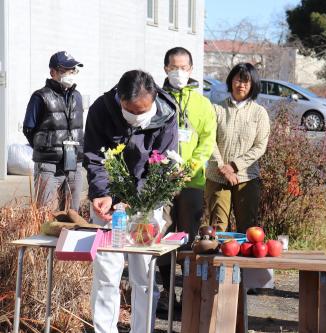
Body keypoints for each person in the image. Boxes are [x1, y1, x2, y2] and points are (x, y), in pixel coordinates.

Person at [83, 70, 178, 333]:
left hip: (147, 205)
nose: (137, 116)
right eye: (130, 110)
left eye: (143, 111)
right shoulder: (101, 110)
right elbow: (94, 157)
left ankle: (141, 329)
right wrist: (102, 194)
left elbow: (163, 164)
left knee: (144, 274)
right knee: (106, 273)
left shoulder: (167, 113)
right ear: (119, 99)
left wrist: (138, 202)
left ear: (154, 98)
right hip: (108, 207)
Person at [157, 47, 216, 313]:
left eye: (183, 68)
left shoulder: (202, 104)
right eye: (173, 67)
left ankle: (189, 289)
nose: (178, 72)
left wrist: (189, 168)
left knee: (189, 236)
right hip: (162, 182)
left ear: (191, 70)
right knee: (164, 235)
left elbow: (207, 141)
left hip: (192, 181)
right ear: (166, 68)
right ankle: (168, 293)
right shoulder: (156, 99)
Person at [205, 62, 270, 233]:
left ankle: (243, 261)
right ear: (230, 81)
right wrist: (222, 168)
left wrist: (233, 166)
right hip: (217, 176)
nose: (241, 85)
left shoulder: (259, 113)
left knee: (248, 228)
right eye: (237, 80)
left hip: (247, 178)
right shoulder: (217, 108)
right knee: (218, 227)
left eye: (246, 82)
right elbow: (209, 140)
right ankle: (218, 260)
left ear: (253, 85)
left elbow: (260, 146)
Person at [23, 51, 84, 211]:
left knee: (73, 214)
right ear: (53, 72)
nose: (70, 74)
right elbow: (29, 128)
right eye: (65, 70)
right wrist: (46, 147)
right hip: (49, 165)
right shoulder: (40, 97)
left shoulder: (77, 96)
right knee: (45, 213)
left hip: (74, 163)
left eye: (73, 70)